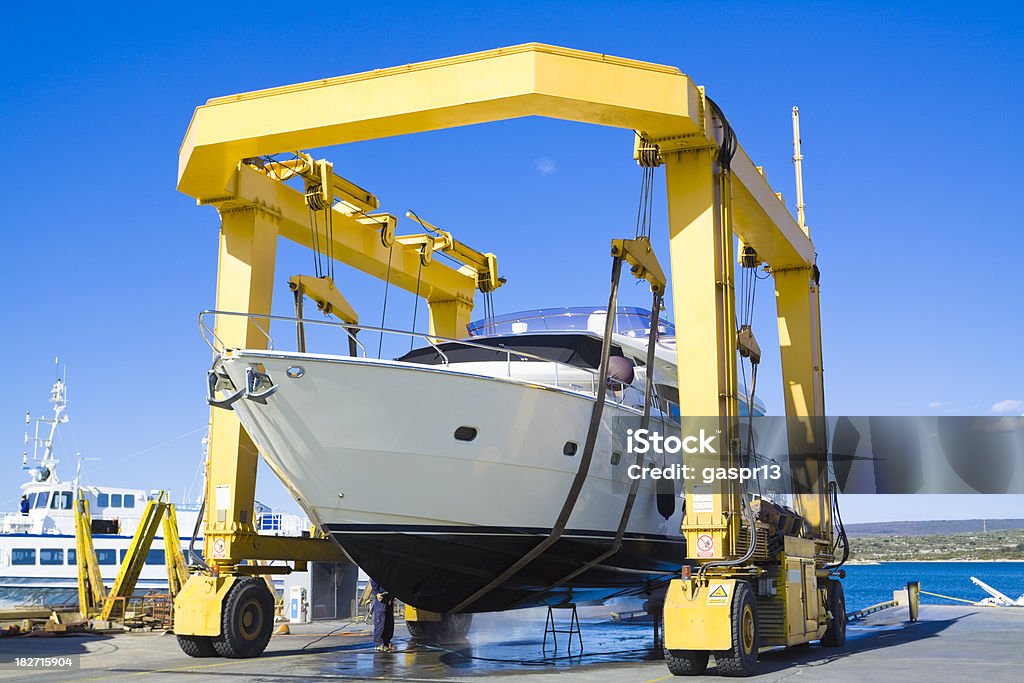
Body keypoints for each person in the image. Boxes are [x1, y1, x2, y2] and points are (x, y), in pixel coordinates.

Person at [369, 578, 396, 652]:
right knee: (380, 622)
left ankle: (387, 642)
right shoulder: (380, 570)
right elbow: (373, 579)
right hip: (381, 597)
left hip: (389, 597)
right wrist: (376, 593)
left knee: (389, 622)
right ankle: (379, 643)